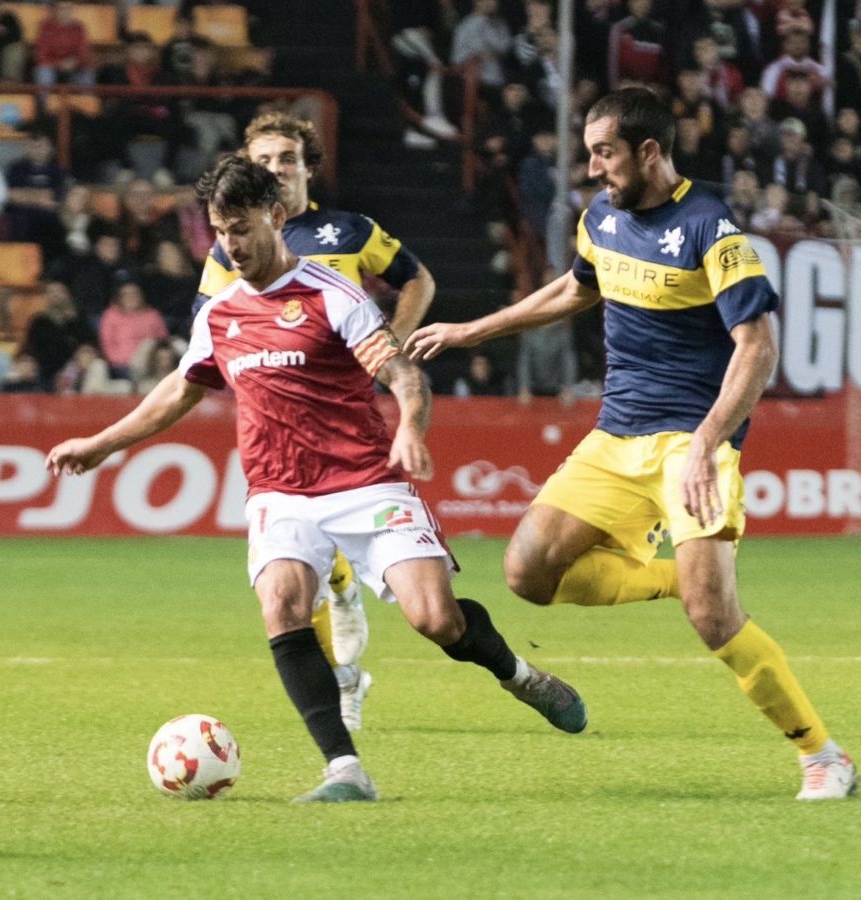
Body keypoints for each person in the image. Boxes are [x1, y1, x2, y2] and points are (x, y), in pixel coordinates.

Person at [46, 156, 587, 802]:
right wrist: (102, 445)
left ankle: (520, 675)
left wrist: (409, 428)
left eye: (242, 228)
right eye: (221, 231)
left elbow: (403, 374)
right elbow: (178, 390)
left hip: (365, 478)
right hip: (280, 492)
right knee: (282, 605)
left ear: (276, 217)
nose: (232, 245)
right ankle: (345, 769)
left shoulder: (332, 294)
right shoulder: (219, 315)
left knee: (435, 617)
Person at [406, 87, 857, 801]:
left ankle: (822, 755)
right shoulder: (601, 219)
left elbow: (757, 348)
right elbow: (575, 291)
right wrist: (470, 331)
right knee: (528, 571)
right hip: (615, 435)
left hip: (691, 442)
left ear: (649, 151)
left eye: (605, 153)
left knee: (714, 620)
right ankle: (680, 577)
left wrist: (710, 442)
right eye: (590, 153)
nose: (593, 168)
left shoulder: (713, 229)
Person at [192, 111, 440, 732]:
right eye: (263, 159)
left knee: (344, 566)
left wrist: (389, 343)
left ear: (307, 167)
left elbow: (415, 279)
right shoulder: (233, 245)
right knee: (299, 574)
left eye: (285, 159)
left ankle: (350, 650)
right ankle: (345, 680)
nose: (275, 168)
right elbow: (209, 329)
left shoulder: (350, 230)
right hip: (280, 411)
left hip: (349, 404)